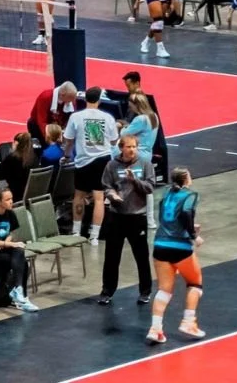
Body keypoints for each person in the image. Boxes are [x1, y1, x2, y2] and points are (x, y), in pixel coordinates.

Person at [148, 167, 206, 344]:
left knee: (164, 289)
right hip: (179, 246)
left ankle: (155, 328)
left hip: (160, 244)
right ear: (186, 179)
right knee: (195, 283)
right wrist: (194, 235)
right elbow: (186, 212)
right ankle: (189, 322)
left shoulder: (166, 194)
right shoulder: (190, 195)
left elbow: (167, 217)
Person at [96, 135, 153, 305]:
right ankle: (107, 291)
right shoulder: (112, 165)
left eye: (134, 147)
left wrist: (134, 180)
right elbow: (106, 186)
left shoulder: (145, 163)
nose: (131, 150)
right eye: (128, 147)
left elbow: (150, 187)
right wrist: (112, 195)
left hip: (137, 216)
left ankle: (145, 291)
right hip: (117, 216)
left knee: (141, 257)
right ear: (121, 148)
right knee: (112, 257)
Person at [63, 87, 120, 244]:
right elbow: (115, 141)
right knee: (99, 198)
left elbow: (68, 140)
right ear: (99, 100)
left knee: (79, 196)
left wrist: (67, 155)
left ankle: (76, 232)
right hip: (103, 160)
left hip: (83, 161)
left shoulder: (76, 117)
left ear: (85, 99)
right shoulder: (108, 117)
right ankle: (94, 235)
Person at [0, 186, 39, 313]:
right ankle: (19, 296)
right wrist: (7, 244)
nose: (11, 202)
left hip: (1, 248)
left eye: (11, 199)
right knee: (12, 258)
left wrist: (7, 243)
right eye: (7, 199)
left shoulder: (10, 213)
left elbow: (10, 233)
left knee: (20, 254)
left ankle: (20, 293)